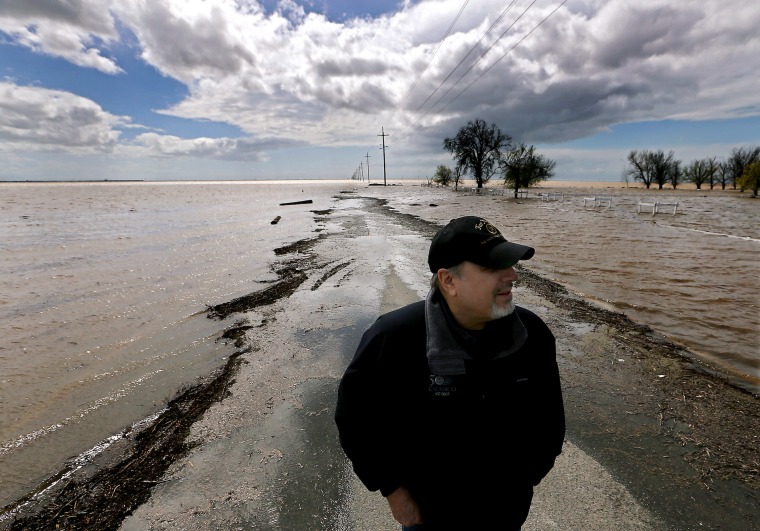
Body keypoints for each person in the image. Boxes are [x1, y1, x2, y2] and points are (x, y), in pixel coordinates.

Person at [335, 216, 565, 530]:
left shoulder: (532, 335)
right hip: (429, 516)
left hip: (505, 513)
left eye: (510, 264)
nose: (511, 276)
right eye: (492, 267)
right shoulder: (394, 337)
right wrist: (393, 491)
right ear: (448, 281)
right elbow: (356, 420)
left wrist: (526, 478)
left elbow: (549, 420)